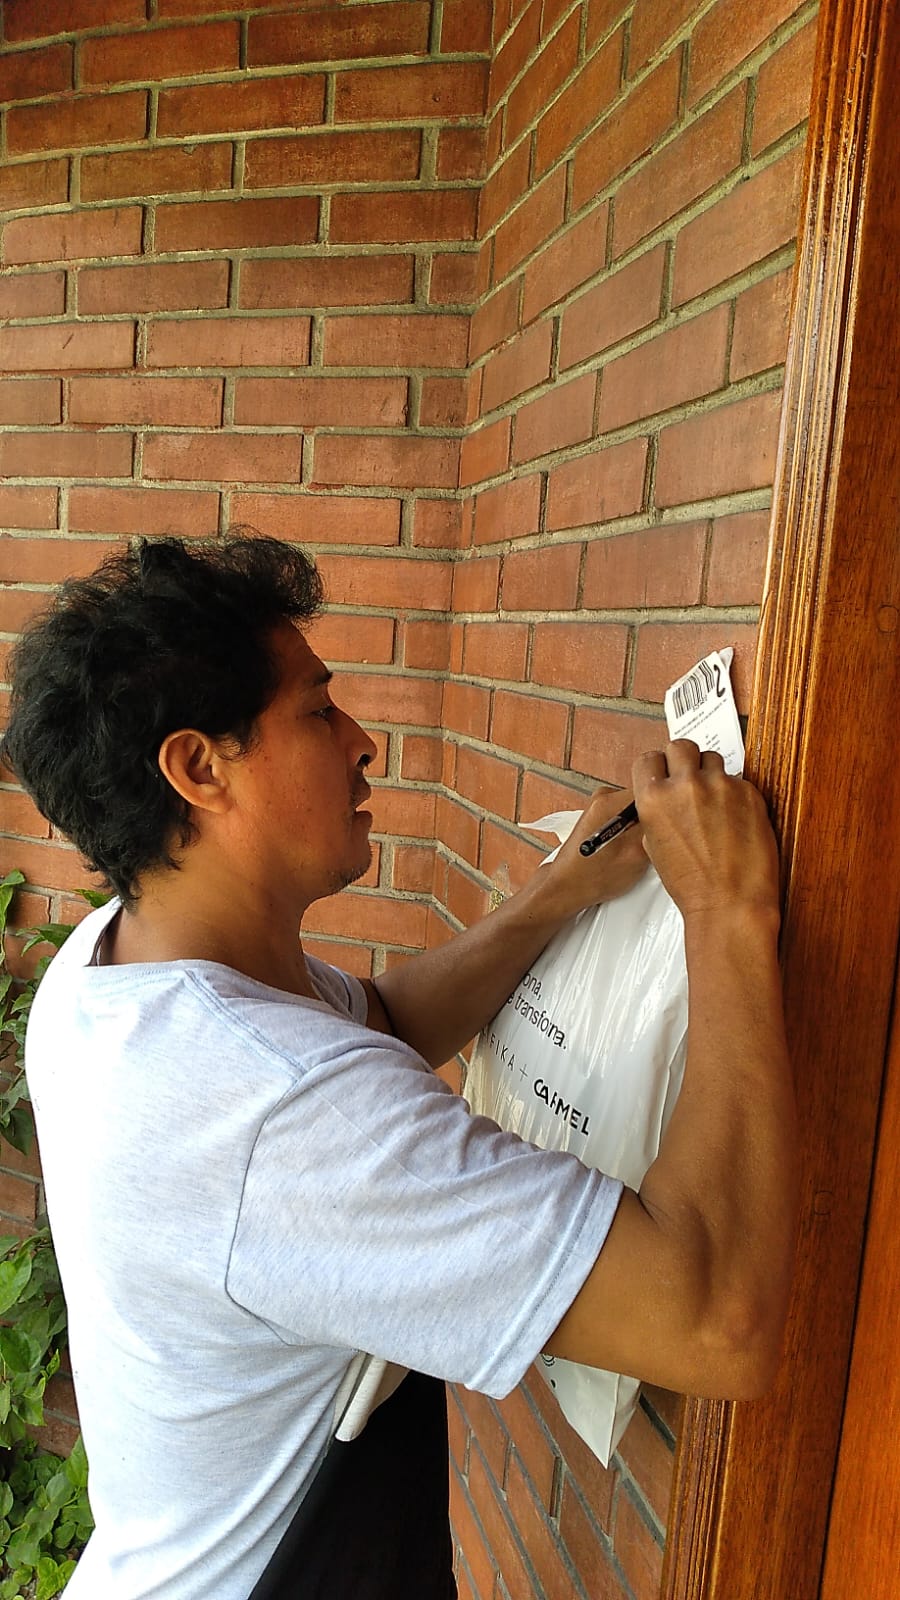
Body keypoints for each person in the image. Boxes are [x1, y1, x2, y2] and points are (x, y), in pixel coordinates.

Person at [0, 535, 797, 1600]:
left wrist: (559, 892)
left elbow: (378, 1021)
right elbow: (718, 1318)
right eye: (318, 711)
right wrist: (727, 910)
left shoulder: (112, 971)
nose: (363, 742)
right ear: (199, 768)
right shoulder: (275, 1113)